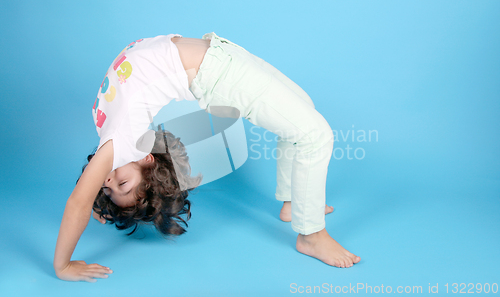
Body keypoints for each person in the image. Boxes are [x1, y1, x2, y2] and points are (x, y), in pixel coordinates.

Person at [53, 32, 361, 283]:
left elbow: (81, 199)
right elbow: (79, 202)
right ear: (146, 160)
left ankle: (293, 202)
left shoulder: (112, 137)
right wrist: (64, 265)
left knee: (301, 111)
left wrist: (100, 202)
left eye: (111, 185)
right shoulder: (118, 144)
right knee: (315, 134)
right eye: (120, 185)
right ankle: (311, 234)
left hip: (221, 52)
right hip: (222, 76)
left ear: (146, 160)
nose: (107, 180)